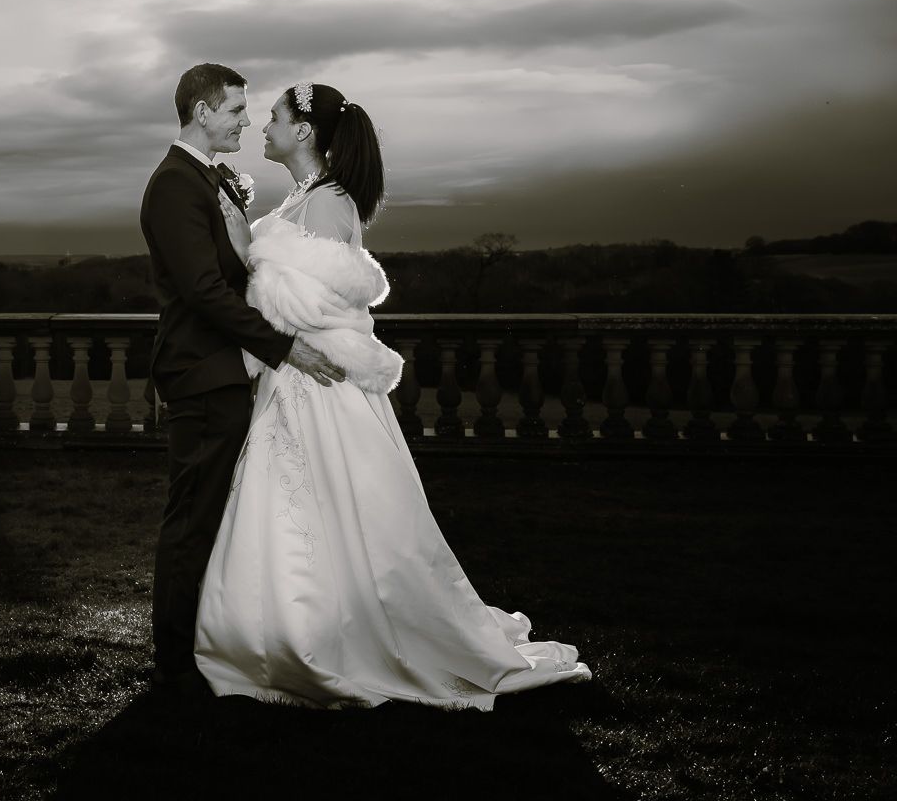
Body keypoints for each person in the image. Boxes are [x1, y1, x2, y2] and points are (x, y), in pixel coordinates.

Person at [194, 80, 593, 710]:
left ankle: (323, 639)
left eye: (272, 117)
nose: (263, 127)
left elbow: (300, 304)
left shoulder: (326, 203)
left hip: (315, 381)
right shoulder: (306, 197)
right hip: (295, 378)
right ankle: (284, 631)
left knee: (335, 510)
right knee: (307, 510)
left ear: (305, 131)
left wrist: (243, 242)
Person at [139, 63, 344, 698]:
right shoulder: (175, 185)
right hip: (201, 375)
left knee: (214, 516)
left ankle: (202, 644)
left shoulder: (208, 181)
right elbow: (202, 291)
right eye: (234, 111)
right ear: (202, 113)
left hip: (224, 372)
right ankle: (174, 662)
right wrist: (284, 348)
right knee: (193, 517)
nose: (245, 121)